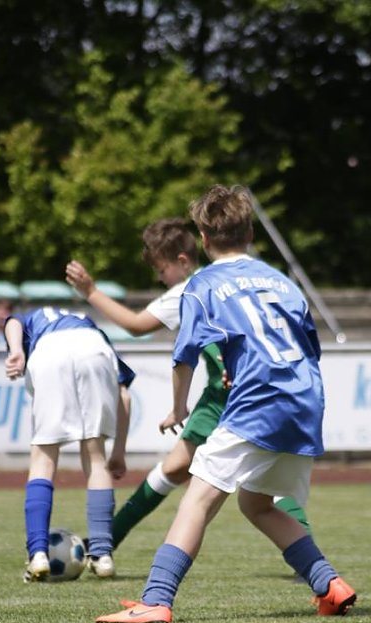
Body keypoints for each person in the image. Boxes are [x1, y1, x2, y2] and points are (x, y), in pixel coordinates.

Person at [94, 185, 356, 623]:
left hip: (258, 401)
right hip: (305, 399)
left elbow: (185, 354)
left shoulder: (203, 284)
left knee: (197, 499)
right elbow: (308, 345)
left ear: (203, 236)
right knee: (256, 504)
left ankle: (157, 600)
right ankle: (329, 584)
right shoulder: (281, 282)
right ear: (250, 231)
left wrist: (178, 408)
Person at [65, 219, 310, 554]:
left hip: (228, 397)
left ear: (182, 261)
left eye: (161, 270)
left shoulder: (191, 287)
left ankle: (105, 544)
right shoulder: (240, 279)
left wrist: (91, 292)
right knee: (195, 470)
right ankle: (106, 544)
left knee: (245, 481)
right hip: (254, 390)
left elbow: (138, 325)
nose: (159, 279)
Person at [4, 305, 134, 583]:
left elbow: (13, 321)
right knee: (96, 457)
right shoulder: (91, 328)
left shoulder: (34, 317)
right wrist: (119, 451)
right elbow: (124, 394)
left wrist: (16, 349)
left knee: (43, 458)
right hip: (93, 351)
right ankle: (102, 556)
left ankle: (38, 555)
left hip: (48, 352)